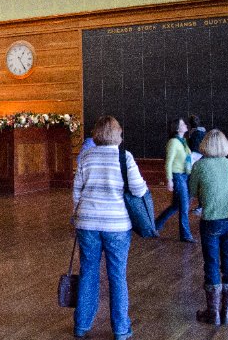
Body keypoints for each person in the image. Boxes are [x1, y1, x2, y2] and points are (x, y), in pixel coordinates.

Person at [72, 116, 148, 340]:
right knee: (117, 276)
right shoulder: (125, 157)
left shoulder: (86, 156)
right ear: (118, 134)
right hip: (117, 225)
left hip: (87, 223)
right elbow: (139, 190)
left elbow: (76, 191)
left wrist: (78, 215)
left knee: (88, 272)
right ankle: (121, 329)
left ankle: (81, 325)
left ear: (96, 134)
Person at [188, 129, 228, 325]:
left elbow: (192, 190)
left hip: (211, 220)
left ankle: (213, 314)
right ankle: (227, 313)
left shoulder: (200, 165)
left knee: (211, 263)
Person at [154, 117, 196, 242]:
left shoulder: (183, 142)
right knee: (184, 206)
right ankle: (185, 235)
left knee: (175, 206)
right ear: (177, 128)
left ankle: (155, 225)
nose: (186, 125)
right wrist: (169, 180)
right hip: (178, 176)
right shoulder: (173, 142)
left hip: (185, 175)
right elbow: (168, 162)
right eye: (183, 124)